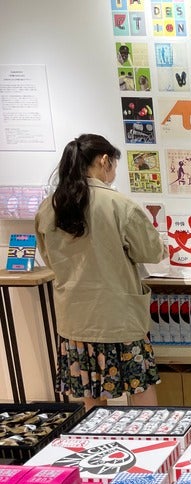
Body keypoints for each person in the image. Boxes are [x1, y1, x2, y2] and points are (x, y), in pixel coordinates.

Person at [35, 134, 166, 408]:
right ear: (104, 160)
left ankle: (97, 436)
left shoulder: (50, 207)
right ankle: (150, 436)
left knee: (90, 392)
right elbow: (151, 252)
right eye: (114, 165)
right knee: (139, 386)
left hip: (75, 319)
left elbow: (49, 259)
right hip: (118, 316)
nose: (114, 172)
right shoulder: (119, 205)